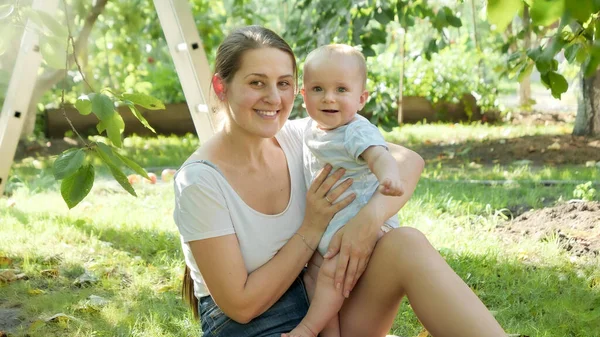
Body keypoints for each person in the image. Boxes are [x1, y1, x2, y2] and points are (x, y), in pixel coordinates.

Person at [173, 25, 506, 337]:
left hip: (322, 304)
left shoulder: (301, 135)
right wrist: (311, 228)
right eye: (257, 83)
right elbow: (240, 307)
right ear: (221, 86)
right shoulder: (200, 181)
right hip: (254, 325)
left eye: (284, 83)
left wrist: (366, 223)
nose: (274, 98)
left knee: (405, 242)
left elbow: (408, 162)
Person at [285, 44, 405, 337]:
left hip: (360, 224)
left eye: (341, 89)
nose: (328, 98)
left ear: (361, 99)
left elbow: (379, 155)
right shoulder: (312, 129)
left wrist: (388, 176)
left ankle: (308, 329)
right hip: (333, 227)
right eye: (317, 89)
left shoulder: (355, 130)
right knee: (312, 277)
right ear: (303, 96)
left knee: (330, 275)